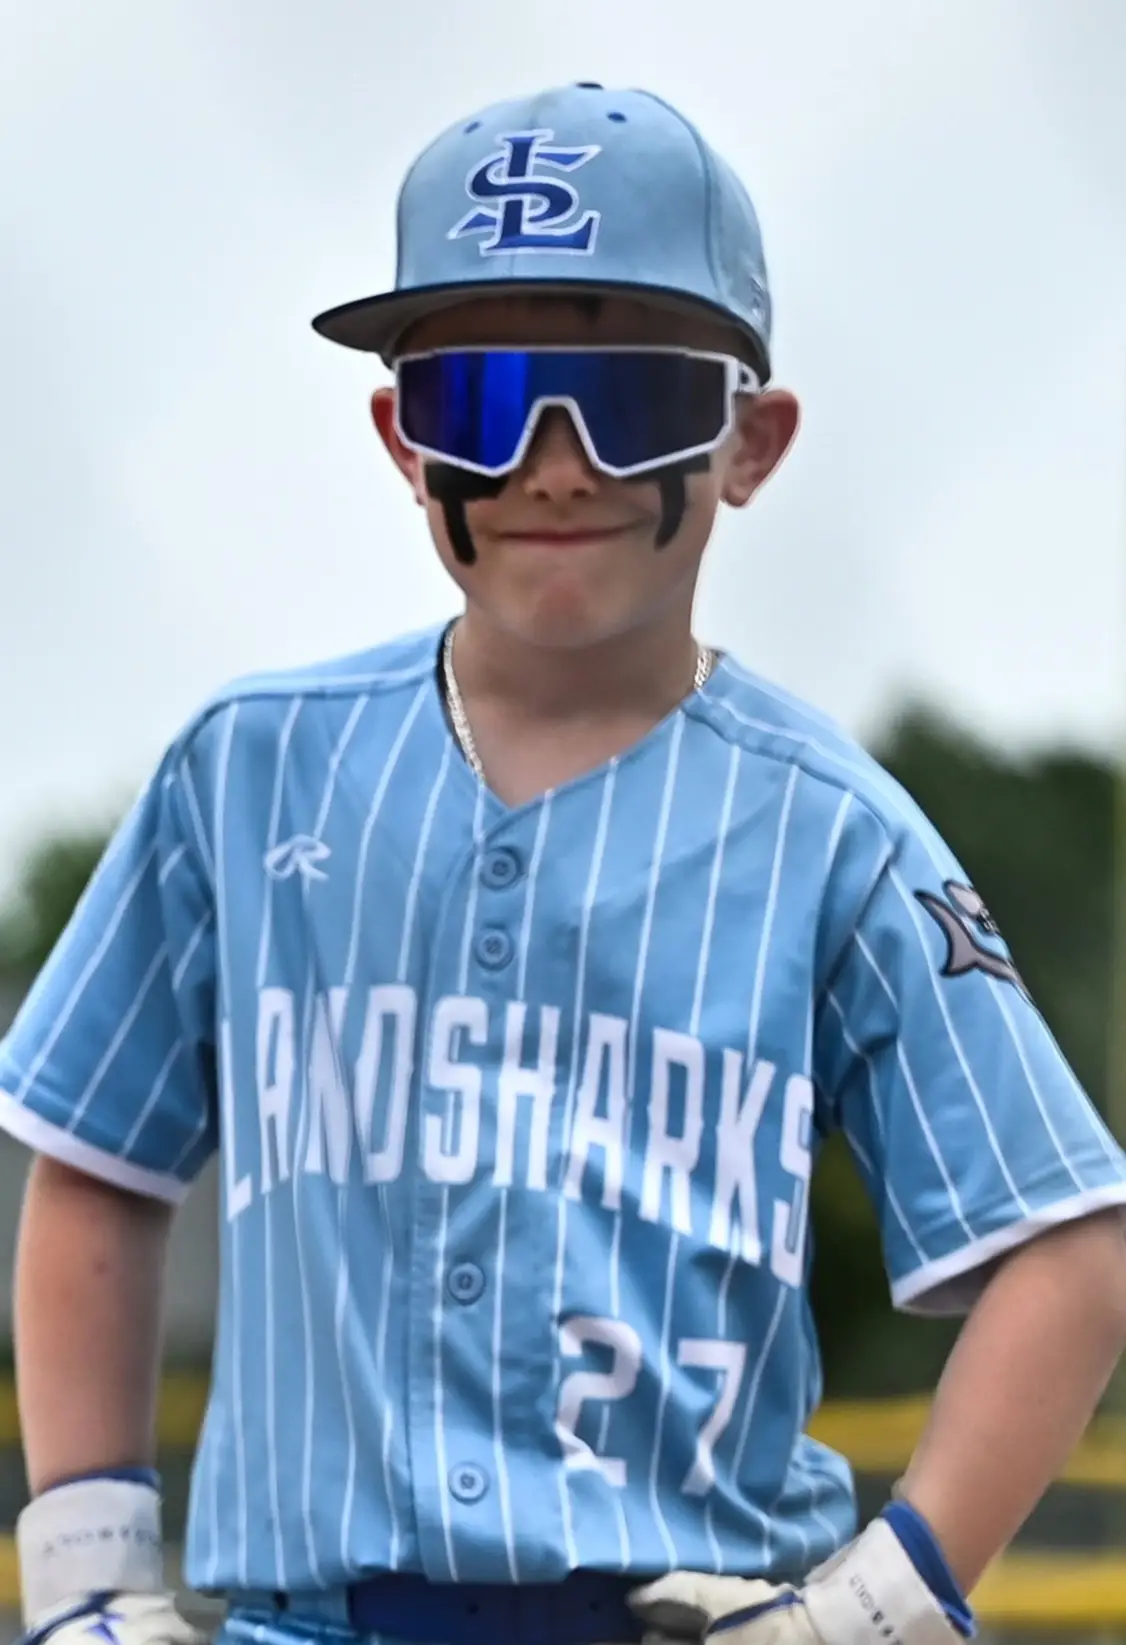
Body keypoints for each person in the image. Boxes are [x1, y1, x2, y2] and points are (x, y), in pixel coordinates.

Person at [4, 80, 1126, 1645]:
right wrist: (85, 1579)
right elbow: (96, 1167)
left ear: (751, 440)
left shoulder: (827, 827)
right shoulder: (248, 770)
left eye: (631, 397)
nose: (553, 463)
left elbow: (1065, 1246)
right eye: (482, 396)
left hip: (681, 1609)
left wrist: (874, 1608)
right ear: (402, 439)